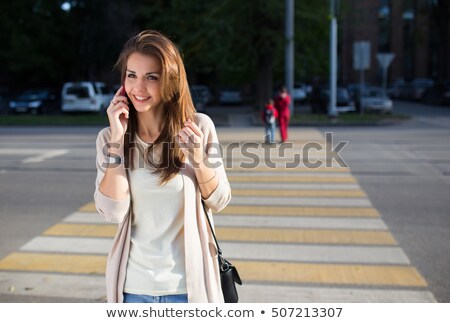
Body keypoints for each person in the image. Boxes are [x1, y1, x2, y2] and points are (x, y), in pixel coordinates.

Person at [94, 30, 231, 303]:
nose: (138, 88)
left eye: (151, 77)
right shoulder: (109, 138)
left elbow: (219, 200)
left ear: (170, 82)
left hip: (188, 290)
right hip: (133, 289)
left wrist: (198, 159)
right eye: (131, 75)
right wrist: (119, 139)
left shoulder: (199, 128)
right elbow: (111, 212)